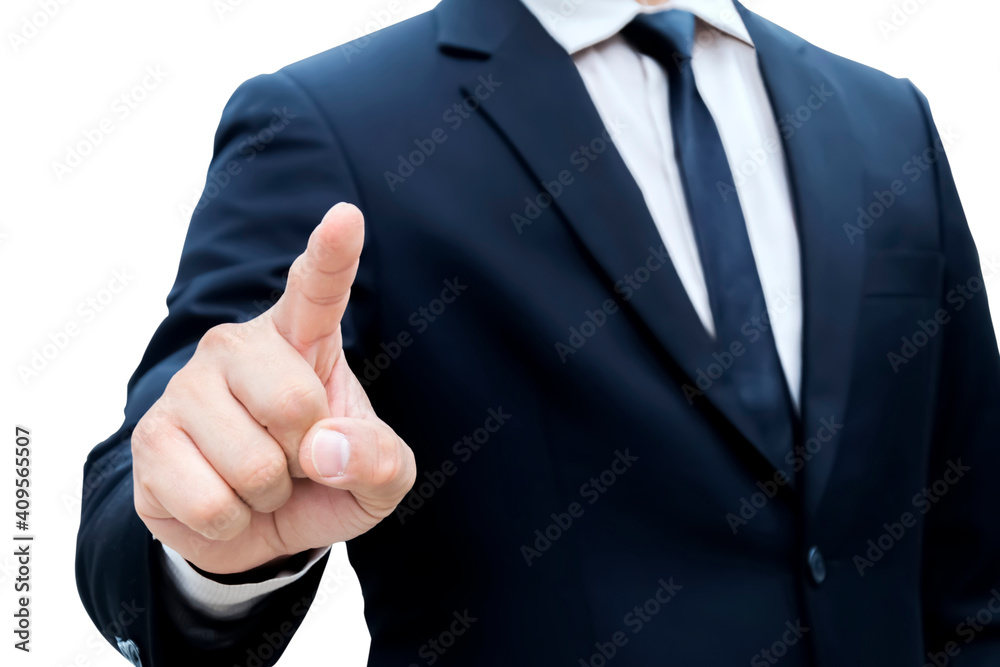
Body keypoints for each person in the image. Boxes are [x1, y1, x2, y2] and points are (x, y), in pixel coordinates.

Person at [75, 0, 1000, 665]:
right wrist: (209, 539)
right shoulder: (333, 123)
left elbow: (974, 562)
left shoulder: (888, 122)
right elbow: (157, 466)